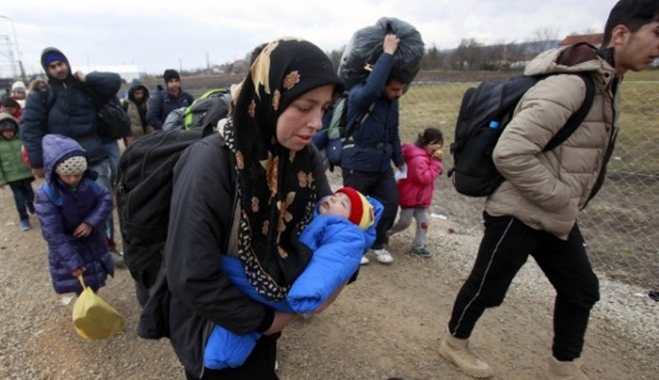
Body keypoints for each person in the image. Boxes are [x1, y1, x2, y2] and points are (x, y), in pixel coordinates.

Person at [438, 1, 659, 379]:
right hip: (518, 211)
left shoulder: (607, 85)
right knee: (487, 286)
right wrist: (561, 198)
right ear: (622, 34)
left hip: (555, 213)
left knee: (582, 290)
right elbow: (511, 151)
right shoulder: (573, 85)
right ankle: (453, 343)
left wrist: (562, 204)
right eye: (657, 33)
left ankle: (564, 365)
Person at [138, 37, 344, 380]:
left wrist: (336, 277)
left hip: (269, 308)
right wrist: (266, 322)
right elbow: (191, 275)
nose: (317, 123)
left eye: (324, 109)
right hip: (212, 324)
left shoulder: (301, 156)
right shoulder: (211, 162)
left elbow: (330, 229)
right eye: (305, 106)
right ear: (270, 96)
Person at [204, 187, 382, 370]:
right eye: (335, 195)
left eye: (343, 203)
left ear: (352, 222)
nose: (333, 199)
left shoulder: (346, 233)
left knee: (232, 269)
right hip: (284, 282)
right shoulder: (317, 216)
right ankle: (223, 355)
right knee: (231, 341)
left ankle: (206, 258)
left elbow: (330, 262)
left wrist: (306, 293)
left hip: (289, 287)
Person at [19, 47, 125, 267]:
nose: (58, 69)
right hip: (62, 162)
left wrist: (86, 79)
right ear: (47, 70)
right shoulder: (42, 94)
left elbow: (114, 81)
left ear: (67, 63)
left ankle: (107, 246)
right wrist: (37, 161)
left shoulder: (83, 88)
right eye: (53, 66)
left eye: (61, 64)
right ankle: (75, 253)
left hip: (93, 157)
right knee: (66, 210)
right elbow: (30, 128)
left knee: (101, 205)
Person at [340, 34, 407, 265]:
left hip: (382, 163)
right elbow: (371, 90)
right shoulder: (360, 94)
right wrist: (387, 54)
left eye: (402, 89)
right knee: (356, 208)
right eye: (395, 89)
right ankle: (353, 247)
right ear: (382, 84)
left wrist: (398, 159)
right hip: (357, 161)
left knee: (390, 203)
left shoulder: (392, 104)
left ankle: (377, 243)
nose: (399, 93)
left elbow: (394, 131)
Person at [34, 134, 114, 295]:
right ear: (56, 172)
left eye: (78, 174)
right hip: (70, 243)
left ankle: (93, 304)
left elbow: (106, 199)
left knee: (94, 278)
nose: (73, 179)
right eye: (67, 175)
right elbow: (52, 233)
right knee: (80, 281)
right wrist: (71, 261)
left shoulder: (89, 183)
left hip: (92, 239)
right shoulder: (46, 194)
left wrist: (91, 222)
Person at [388, 127, 443, 257]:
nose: (437, 146)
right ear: (425, 142)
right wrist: (436, 164)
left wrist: (434, 164)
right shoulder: (418, 159)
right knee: (404, 223)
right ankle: (385, 233)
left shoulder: (428, 156)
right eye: (434, 143)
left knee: (424, 221)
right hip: (411, 197)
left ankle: (418, 246)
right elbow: (424, 178)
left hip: (422, 199)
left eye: (439, 143)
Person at [0, 113, 35, 231]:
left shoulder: (22, 140)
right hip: (12, 177)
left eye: (10, 130)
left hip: (26, 174)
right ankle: (24, 219)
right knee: (19, 198)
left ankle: (30, 203)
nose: (8, 133)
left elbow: (29, 154)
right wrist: (2, 180)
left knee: (30, 194)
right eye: (5, 131)